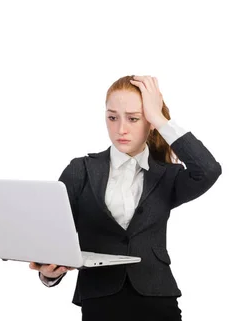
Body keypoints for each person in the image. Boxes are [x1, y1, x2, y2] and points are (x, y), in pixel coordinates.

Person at [28, 75, 221, 321]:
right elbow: (53, 236)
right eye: (112, 117)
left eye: (133, 118)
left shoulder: (168, 176)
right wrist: (49, 273)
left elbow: (208, 170)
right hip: (99, 298)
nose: (121, 129)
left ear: (149, 121)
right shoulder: (81, 170)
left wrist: (160, 119)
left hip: (157, 298)